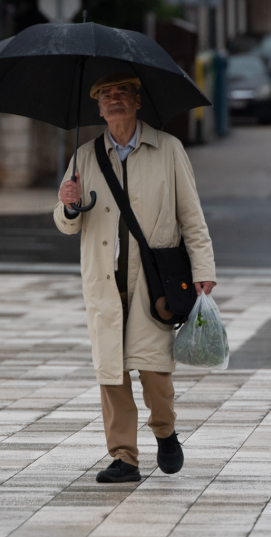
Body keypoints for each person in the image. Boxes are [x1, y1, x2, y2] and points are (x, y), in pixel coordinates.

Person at [56, 73, 216, 484]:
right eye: (105, 95)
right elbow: (66, 224)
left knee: (154, 370)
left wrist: (204, 272)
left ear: (137, 101)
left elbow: (191, 217)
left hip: (153, 282)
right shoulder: (86, 156)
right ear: (97, 106)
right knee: (111, 372)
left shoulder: (168, 149)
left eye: (121, 93)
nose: (113, 101)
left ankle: (164, 430)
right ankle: (124, 457)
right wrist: (68, 207)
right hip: (104, 281)